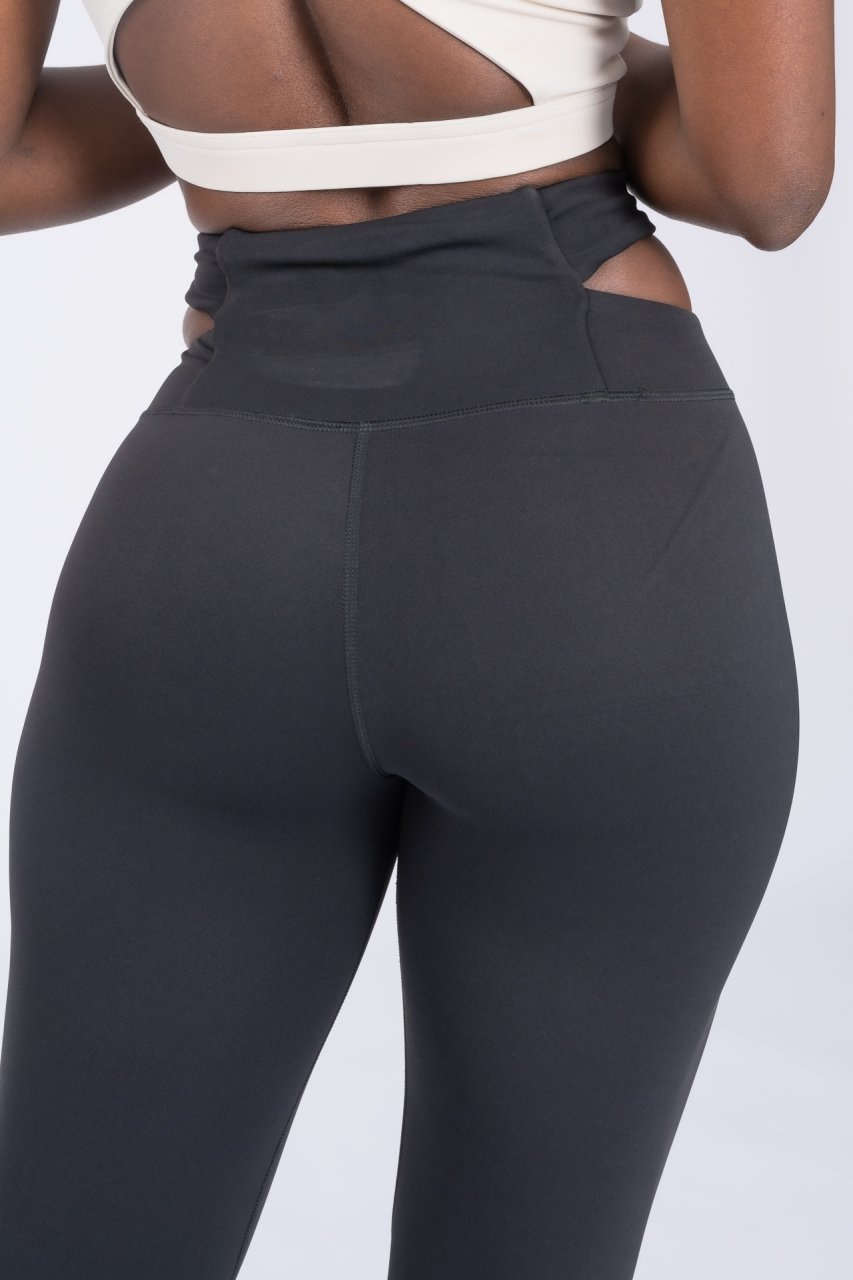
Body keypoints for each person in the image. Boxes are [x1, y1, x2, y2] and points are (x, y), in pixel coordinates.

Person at [0, 3, 834, 1277]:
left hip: (214, 529)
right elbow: (762, 178)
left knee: (82, 1234)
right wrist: (553, 78)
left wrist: (222, 110)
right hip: (593, 524)